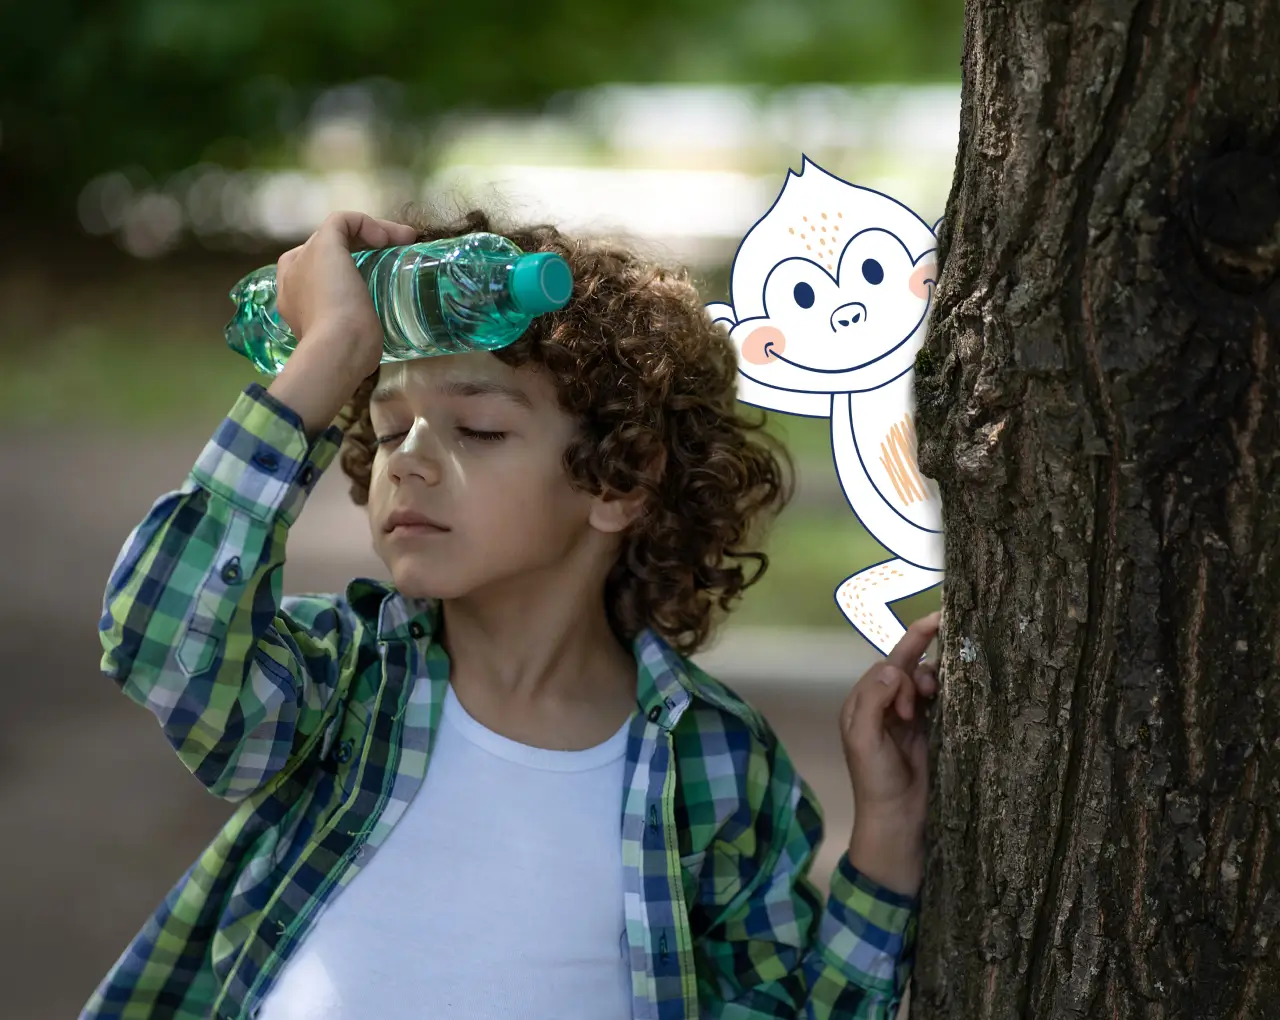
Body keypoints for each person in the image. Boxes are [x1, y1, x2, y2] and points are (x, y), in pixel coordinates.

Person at [81, 208, 941, 1020]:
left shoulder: (712, 761)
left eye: (478, 430)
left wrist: (890, 839)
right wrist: (327, 353)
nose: (410, 462)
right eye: (387, 430)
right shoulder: (343, 678)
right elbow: (162, 638)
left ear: (619, 480)